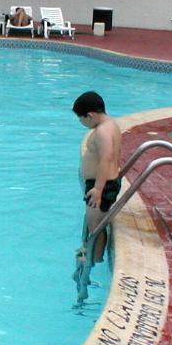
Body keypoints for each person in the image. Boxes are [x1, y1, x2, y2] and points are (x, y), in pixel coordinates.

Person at [73, 91, 122, 265]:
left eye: (81, 119)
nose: (81, 122)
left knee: (96, 227)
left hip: (102, 186)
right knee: (95, 225)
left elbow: (106, 159)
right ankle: (94, 254)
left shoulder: (102, 132)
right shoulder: (111, 125)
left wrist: (98, 189)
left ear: (90, 115)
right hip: (104, 183)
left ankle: (94, 259)